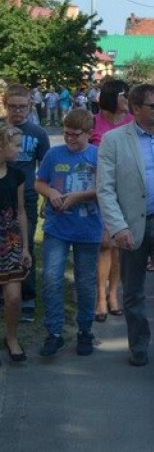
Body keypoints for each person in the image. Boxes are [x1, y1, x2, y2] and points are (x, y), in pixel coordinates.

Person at [96, 83, 154, 371]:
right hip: (131, 227)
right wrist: (117, 226)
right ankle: (138, 345)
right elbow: (105, 188)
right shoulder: (114, 140)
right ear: (136, 108)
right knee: (134, 291)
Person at [35, 109, 102, 359]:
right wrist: (50, 193)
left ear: (89, 133)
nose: (69, 139)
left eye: (75, 135)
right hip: (57, 228)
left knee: (85, 282)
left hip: (88, 229)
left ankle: (85, 330)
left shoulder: (97, 156)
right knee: (52, 278)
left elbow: (105, 188)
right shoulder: (54, 154)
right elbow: (39, 181)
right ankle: (53, 332)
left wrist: (79, 197)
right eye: (66, 134)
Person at [2, 84, 50, 322]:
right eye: (13, 107)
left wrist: (46, 198)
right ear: (5, 105)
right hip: (2, 195)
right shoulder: (1, 130)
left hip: (27, 197)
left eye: (22, 107)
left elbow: (46, 167)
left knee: (24, 245)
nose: (17, 111)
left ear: (30, 106)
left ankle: (27, 296)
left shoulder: (38, 134)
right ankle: (5, 293)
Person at [90, 79, 133, 322]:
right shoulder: (94, 122)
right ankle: (100, 297)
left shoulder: (131, 122)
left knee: (117, 246)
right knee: (104, 244)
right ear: (111, 97)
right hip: (99, 189)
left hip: (125, 190)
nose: (127, 99)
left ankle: (114, 294)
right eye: (123, 95)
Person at [0, 125, 31, 363]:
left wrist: (26, 247)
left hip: (10, 241)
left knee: (13, 297)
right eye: (16, 145)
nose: (20, 150)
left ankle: (11, 337)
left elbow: (20, 211)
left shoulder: (16, 175)